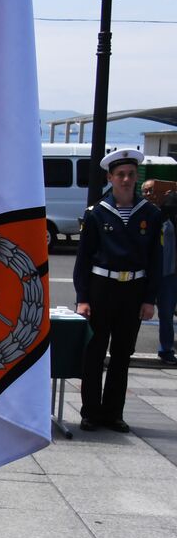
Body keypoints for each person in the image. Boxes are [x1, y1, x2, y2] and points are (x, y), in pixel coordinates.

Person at [75, 149, 165, 432]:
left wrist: (150, 299)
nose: (126, 180)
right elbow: (83, 260)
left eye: (130, 174)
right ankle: (90, 412)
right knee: (94, 353)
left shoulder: (150, 214)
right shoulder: (96, 214)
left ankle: (113, 414)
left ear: (136, 177)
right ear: (110, 178)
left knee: (122, 354)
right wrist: (83, 298)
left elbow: (156, 260)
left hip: (134, 290)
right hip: (102, 288)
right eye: (120, 175)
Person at [149, 182, 177, 367]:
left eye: (152, 191)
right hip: (150, 273)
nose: (149, 194)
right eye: (146, 191)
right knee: (138, 312)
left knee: (166, 314)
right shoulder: (147, 214)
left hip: (169, 274)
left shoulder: (171, 218)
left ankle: (166, 349)